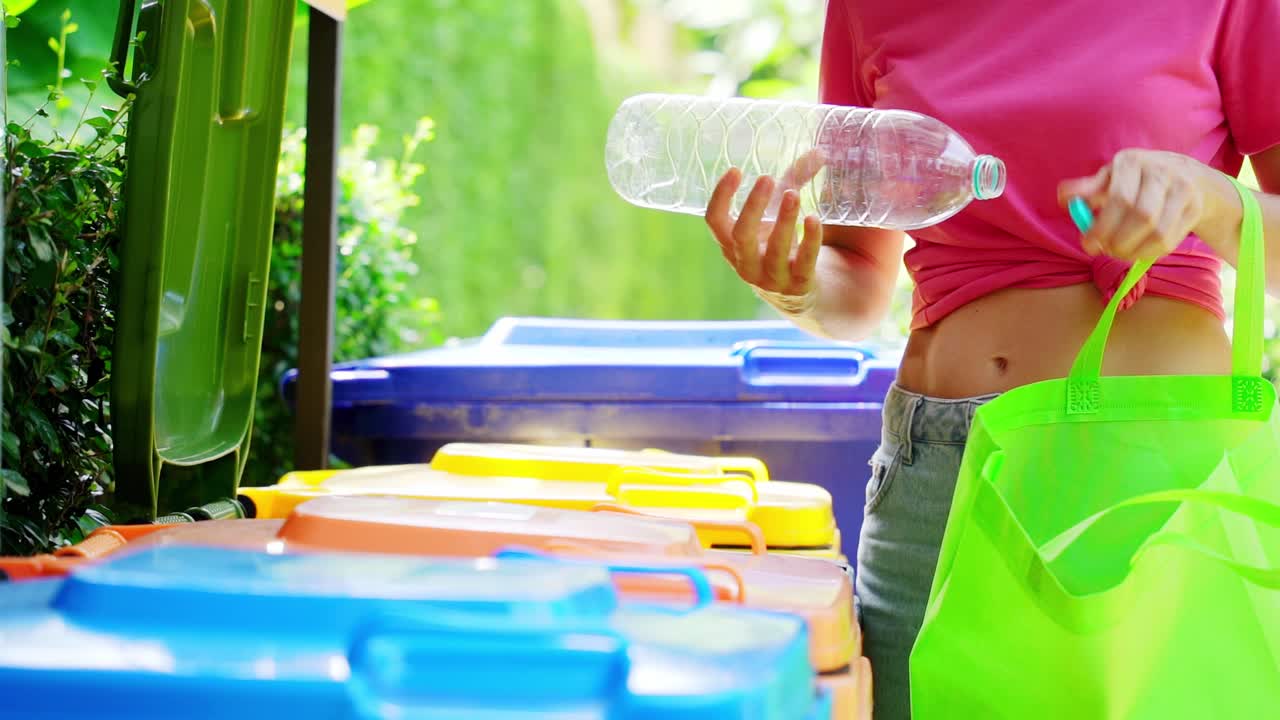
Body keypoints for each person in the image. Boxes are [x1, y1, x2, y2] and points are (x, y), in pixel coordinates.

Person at [703, 1, 1280, 717]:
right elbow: (856, 278)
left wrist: (1213, 200)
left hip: (1151, 491)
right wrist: (791, 284)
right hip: (939, 481)